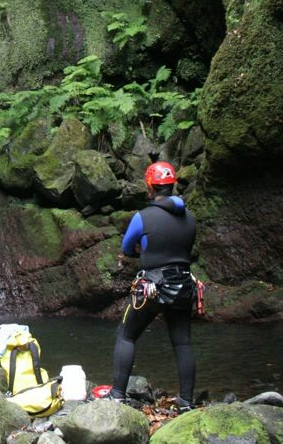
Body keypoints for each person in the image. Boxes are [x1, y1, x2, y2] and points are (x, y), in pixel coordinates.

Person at [108, 161, 197, 411]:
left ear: (150, 186)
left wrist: (145, 251)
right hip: (183, 285)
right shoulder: (189, 218)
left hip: (152, 287)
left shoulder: (143, 217)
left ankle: (117, 395)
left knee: (126, 335)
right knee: (183, 343)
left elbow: (127, 248)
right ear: (172, 185)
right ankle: (186, 402)